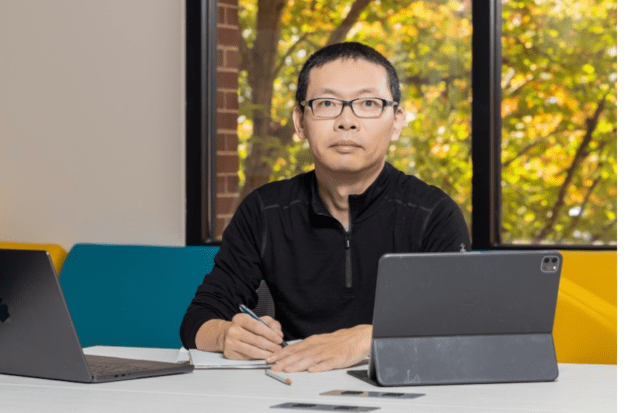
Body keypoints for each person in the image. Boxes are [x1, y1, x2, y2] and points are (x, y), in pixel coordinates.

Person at [179, 41, 471, 373]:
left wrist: (366, 339)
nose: (347, 121)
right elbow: (197, 320)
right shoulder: (264, 211)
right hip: (292, 385)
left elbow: (460, 324)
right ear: (300, 122)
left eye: (368, 103)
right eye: (327, 103)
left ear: (396, 121)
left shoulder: (433, 213)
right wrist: (225, 336)